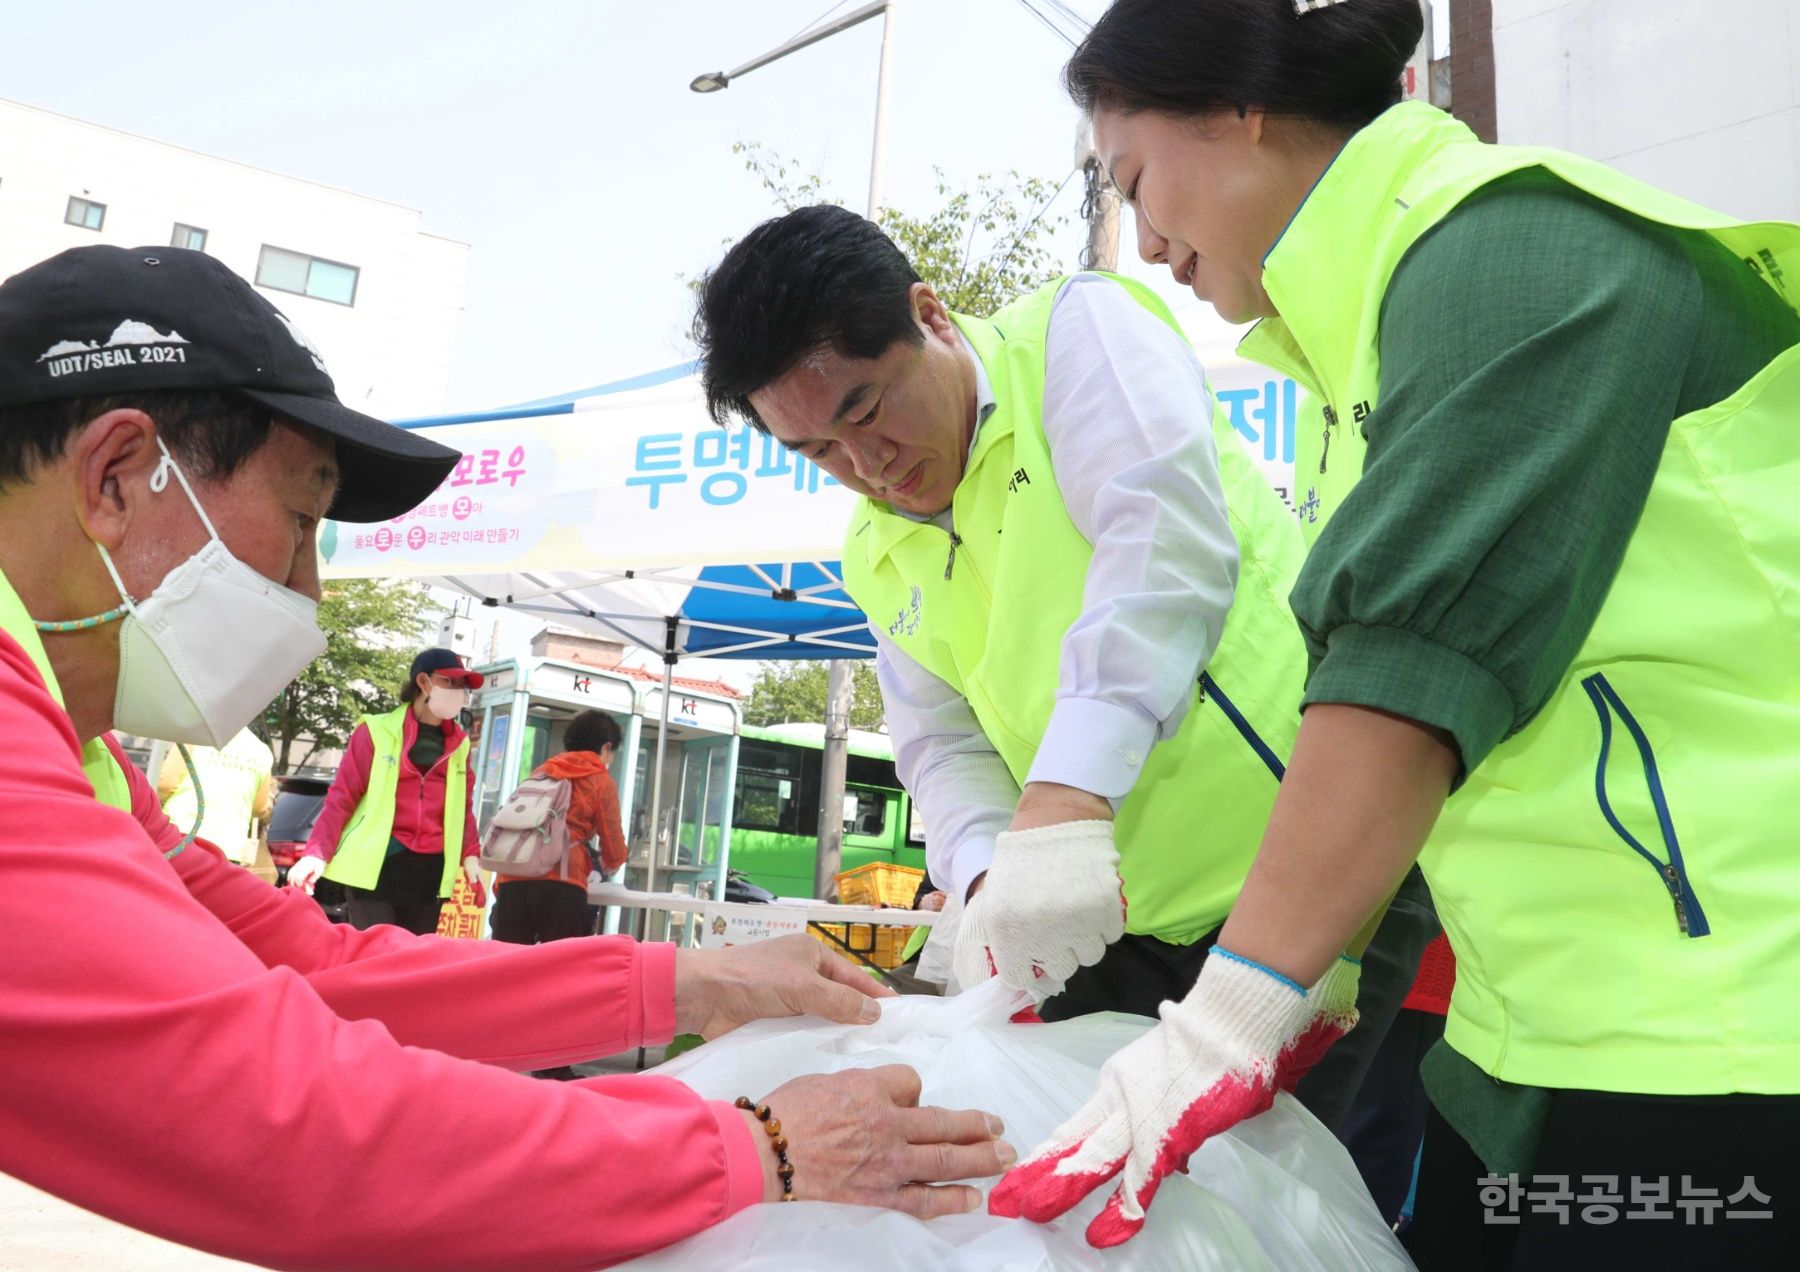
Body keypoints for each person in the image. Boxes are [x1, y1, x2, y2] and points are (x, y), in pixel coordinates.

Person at [0, 243, 1014, 1270]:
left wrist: (691, 981)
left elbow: (315, 968)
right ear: (118, 477)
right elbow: (276, 1113)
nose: (307, 593)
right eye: (302, 522)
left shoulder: (76, 755)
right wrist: (759, 1150)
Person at [989, 2, 1800, 1265]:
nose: (1146, 244)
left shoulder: (1508, 251)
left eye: (1138, 181)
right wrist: (1322, 965)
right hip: (1538, 1030)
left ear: (1240, 108)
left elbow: (1410, 677)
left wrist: (1229, 1009)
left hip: (1724, 1040)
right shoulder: (1359, 343)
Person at [692, 206, 1438, 1128]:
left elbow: (1162, 550)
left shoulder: (1076, 336)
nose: (868, 465)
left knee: (1289, 1185)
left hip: (1318, 869)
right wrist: (983, 880)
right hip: (1111, 920)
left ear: (930, 316)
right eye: (816, 452)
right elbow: (942, 743)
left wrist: (1063, 801)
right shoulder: (873, 549)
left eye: (868, 409)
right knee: (1082, 1172)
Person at [288, 647, 485, 935]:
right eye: (450, 682)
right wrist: (316, 853)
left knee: (411, 964)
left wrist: (471, 855)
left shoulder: (460, 744)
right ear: (423, 682)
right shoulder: (375, 731)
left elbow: (462, 808)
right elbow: (342, 797)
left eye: (462, 686)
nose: (458, 692)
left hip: (431, 871)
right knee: (375, 957)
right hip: (378, 867)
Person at [491, 708, 628, 946]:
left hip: (513, 878)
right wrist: (613, 861)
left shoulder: (542, 772)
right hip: (563, 882)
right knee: (562, 971)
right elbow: (612, 842)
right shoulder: (600, 781)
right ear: (606, 748)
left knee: (508, 970)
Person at [157, 726, 274, 866]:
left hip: (180, 837)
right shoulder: (261, 751)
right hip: (229, 849)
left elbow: (165, 784)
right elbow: (259, 808)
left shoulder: (192, 737)